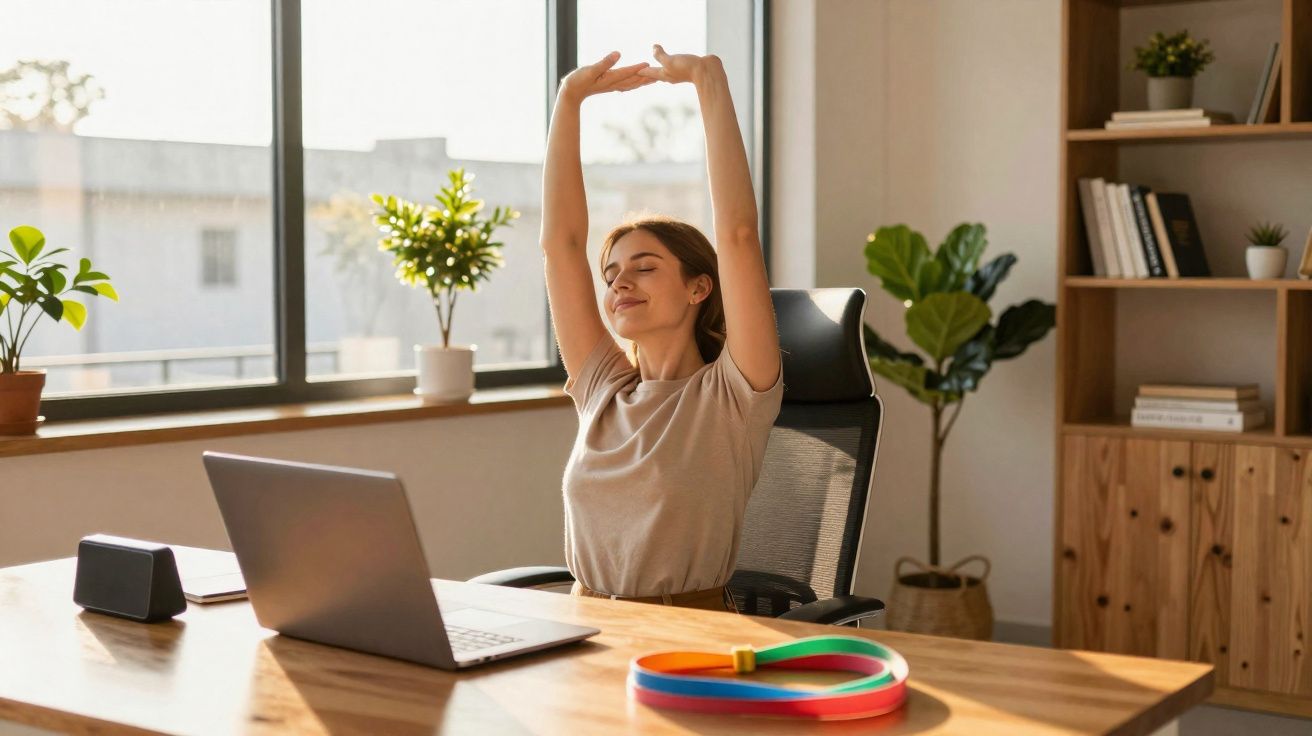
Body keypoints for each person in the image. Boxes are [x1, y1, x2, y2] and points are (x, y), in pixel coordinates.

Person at [542, 45, 782, 613]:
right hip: (588, 622)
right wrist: (569, 100)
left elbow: (739, 235)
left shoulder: (732, 395)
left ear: (699, 288)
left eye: (645, 268)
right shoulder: (603, 389)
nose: (620, 283)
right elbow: (560, 247)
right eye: (612, 275)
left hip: (686, 627)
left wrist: (708, 82)